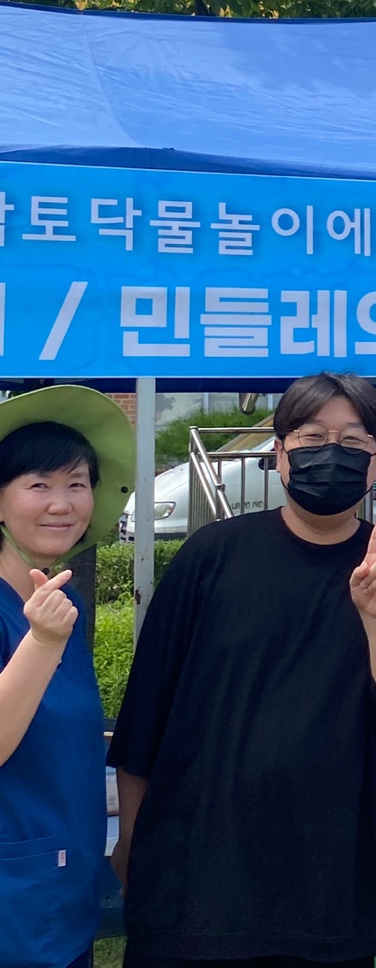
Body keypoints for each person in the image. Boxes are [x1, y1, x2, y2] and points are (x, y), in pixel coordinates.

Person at [108, 371, 376, 968]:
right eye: (312, 437)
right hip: (194, 879)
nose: (332, 452)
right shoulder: (211, 555)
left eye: (353, 442)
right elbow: (146, 716)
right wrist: (131, 840)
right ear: (279, 453)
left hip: (328, 887)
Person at [0, 385, 136, 968]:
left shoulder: (62, 606)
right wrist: (41, 641)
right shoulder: (41, 622)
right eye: (39, 485)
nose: (62, 504)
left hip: (59, 895)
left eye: (77, 484)